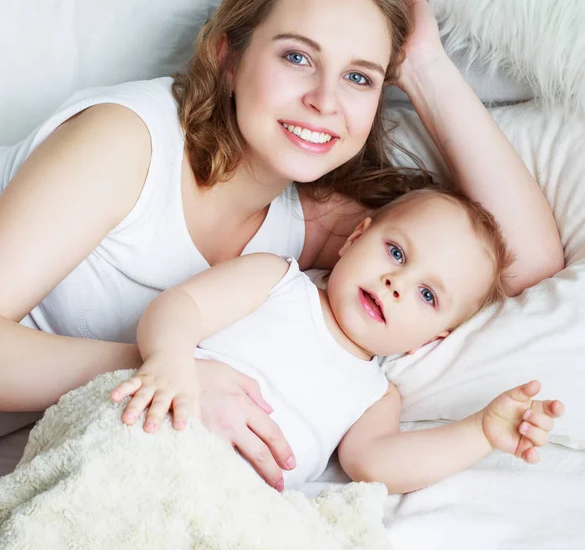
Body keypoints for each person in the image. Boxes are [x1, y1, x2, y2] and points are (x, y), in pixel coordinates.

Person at [0, 0, 563, 492]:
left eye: (360, 78)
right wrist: (179, 370)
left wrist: (425, 68)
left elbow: (525, 262)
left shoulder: (312, 219)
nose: (324, 100)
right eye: (297, 57)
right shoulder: (125, 145)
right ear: (230, 58)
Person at [110, 188, 564, 493]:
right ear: (354, 238)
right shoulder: (276, 280)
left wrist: (480, 432)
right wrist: (171, 360)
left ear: (429, 340)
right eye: (397, 252)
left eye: (427, 294)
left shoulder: (376, 395)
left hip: (226, 502)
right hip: (157, 427)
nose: (395, 283)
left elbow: (378, 464)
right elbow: (180, 307)